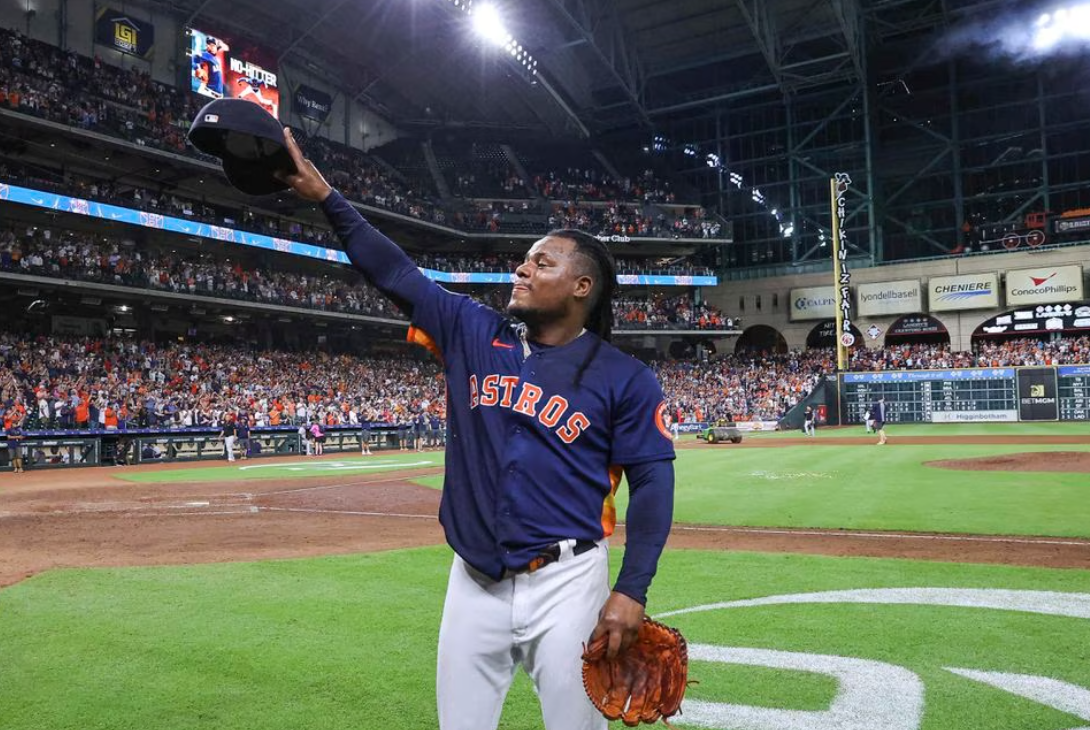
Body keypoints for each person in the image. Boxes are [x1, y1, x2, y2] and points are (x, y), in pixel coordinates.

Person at [277, 128, 676, 730]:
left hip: (568, 582)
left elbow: (653, 486)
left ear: (581, 287)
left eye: (542, 262)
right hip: (472, 581)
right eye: (525, 258)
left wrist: (633, 590)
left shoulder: (625, 377)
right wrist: (327, 197)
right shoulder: (472, 330)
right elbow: (395, 272)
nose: (521, 268)